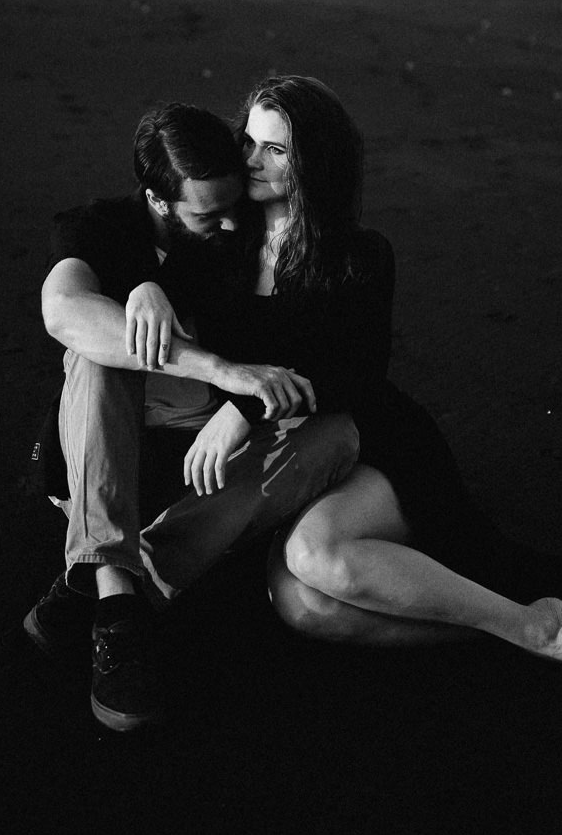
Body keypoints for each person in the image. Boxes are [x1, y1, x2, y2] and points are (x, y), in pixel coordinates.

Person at [185, 75, 562, 672]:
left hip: (371, 443)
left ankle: (541, 630)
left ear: (315, 163)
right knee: (304, 608)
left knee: (315, 558)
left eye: (275, 150)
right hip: (278, 456)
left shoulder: (358, 255)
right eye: (248, 142)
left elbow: (353, 374)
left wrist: (243, 404)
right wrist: (146, 289)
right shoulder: (220, 243)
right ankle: (516, 626)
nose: (251, 160)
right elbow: (128, 236)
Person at [22, 102, 360, 732]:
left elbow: (316, 340)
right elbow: (63, 310)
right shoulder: (97, 227)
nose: (231, 224)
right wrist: (219, 368)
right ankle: (118, 610)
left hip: (211, 455)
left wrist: (236, 402)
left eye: (234, 206)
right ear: (157, 199)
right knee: (99, 352)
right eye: (209, 215)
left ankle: (102, 587)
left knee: (337, 437)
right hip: (107, 450)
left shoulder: (232, 231)